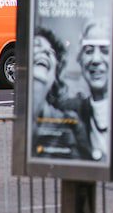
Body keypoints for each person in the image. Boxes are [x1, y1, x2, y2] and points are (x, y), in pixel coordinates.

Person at [29, 27, 89, 160]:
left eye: (51, 52)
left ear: (55, 76)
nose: (45, 52)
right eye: (37, 45)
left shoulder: (70, 124)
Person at [64, 21, 111, 163]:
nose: (95, 60)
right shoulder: (71, 112)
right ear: (80, 59)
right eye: (89, 51)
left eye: (104, 50)